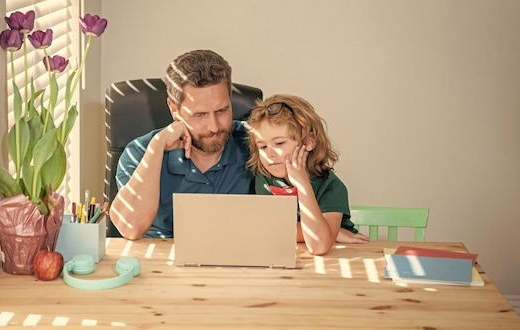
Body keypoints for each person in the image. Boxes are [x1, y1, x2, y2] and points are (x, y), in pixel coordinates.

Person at [109, 50, 253, 239]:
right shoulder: (140, 152)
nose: (214, 126)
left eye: (221, 110)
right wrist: (157, 147)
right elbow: (131, 228)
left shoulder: (257, 143)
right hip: (160, 264)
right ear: (174, 109)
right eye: (200, 115)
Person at [245, 94, 369, 255]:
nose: (270, 154)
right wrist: (333, 234)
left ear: (309, 141)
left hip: (341, 258)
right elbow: (268, 229)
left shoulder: (331, 187)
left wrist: (302, 184)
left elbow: (318, 246)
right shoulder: (265, 179)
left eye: (280, 143)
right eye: (262, 146)